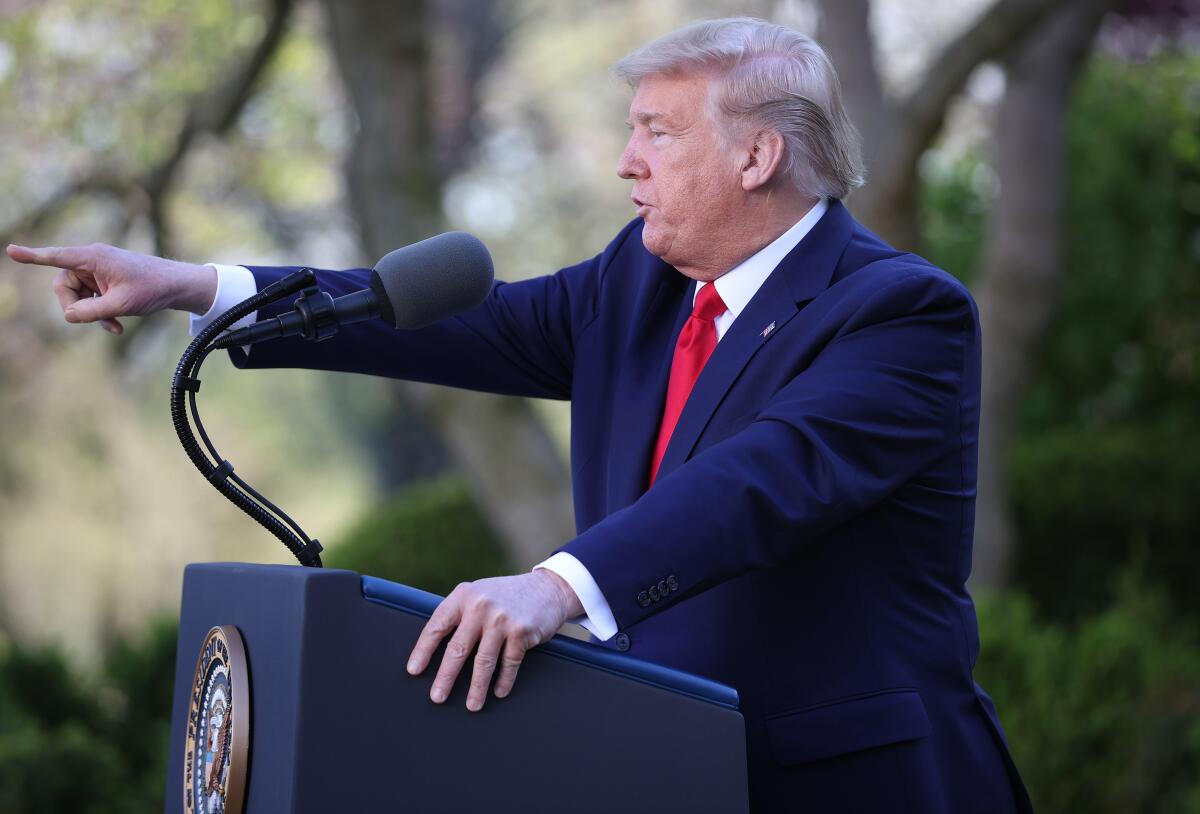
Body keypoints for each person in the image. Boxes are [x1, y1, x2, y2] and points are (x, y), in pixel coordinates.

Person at [8, 17, 1031, 813]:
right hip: (664, 775)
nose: (626, 163)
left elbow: (759, 479)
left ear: (757, 157)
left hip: (850, 785)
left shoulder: (898, 312)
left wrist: (557, 586)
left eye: (657, 133)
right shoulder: (639, 283)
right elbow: (460, 323)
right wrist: (199, 287)